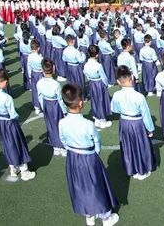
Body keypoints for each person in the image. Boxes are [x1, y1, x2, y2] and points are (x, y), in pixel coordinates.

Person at [59, 84, 120, 226]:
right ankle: (106, 218)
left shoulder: (62, 122)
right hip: (89, 157)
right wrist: (95, 152)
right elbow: (97, 141)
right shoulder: (87, 124)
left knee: (80, 186)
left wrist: (72, 149)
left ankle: (89, 216)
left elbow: (63, 140)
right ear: (80, 103)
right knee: (96, 185)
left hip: (73, 158)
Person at [0, 69, 36, 181]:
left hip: (0, 122)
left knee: (7, 145)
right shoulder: (7, 98)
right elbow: (13, 115)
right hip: (10, 123)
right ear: (5, 82)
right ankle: (24, 171)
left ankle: (13, 168)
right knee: (18, 144)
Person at [111, 65, 157, 180]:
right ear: (131, 77)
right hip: (137, 123)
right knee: (141, 145)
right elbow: (145, 114)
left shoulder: (116, 95)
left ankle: (132, 169)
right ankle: (142, 170)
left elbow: (114, 109)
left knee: (128, 145)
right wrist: (150, 129)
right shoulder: (139, 96)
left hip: (124, 122)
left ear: (118, 81)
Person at [37, 58, 66, 156]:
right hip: (55, 106)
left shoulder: (39, 83)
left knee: (51, 126)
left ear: (42, 70)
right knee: (59, 125)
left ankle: (56, 147)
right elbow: (60, 99)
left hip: (46, 105)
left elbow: (40, 97)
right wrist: (64, 111)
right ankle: (62, 147)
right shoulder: (56, 84)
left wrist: (43, 107)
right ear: (53, 69)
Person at [84, 45, 112, 129]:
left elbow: (86, 74)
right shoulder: (98, 65)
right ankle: (102, 120)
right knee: (101, 101)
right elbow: (103, 77)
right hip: (99, 84)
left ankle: (96, 119)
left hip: (92, 83)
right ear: (97, 54)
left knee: (95, 101)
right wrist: (106, 85)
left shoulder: (86, 65)